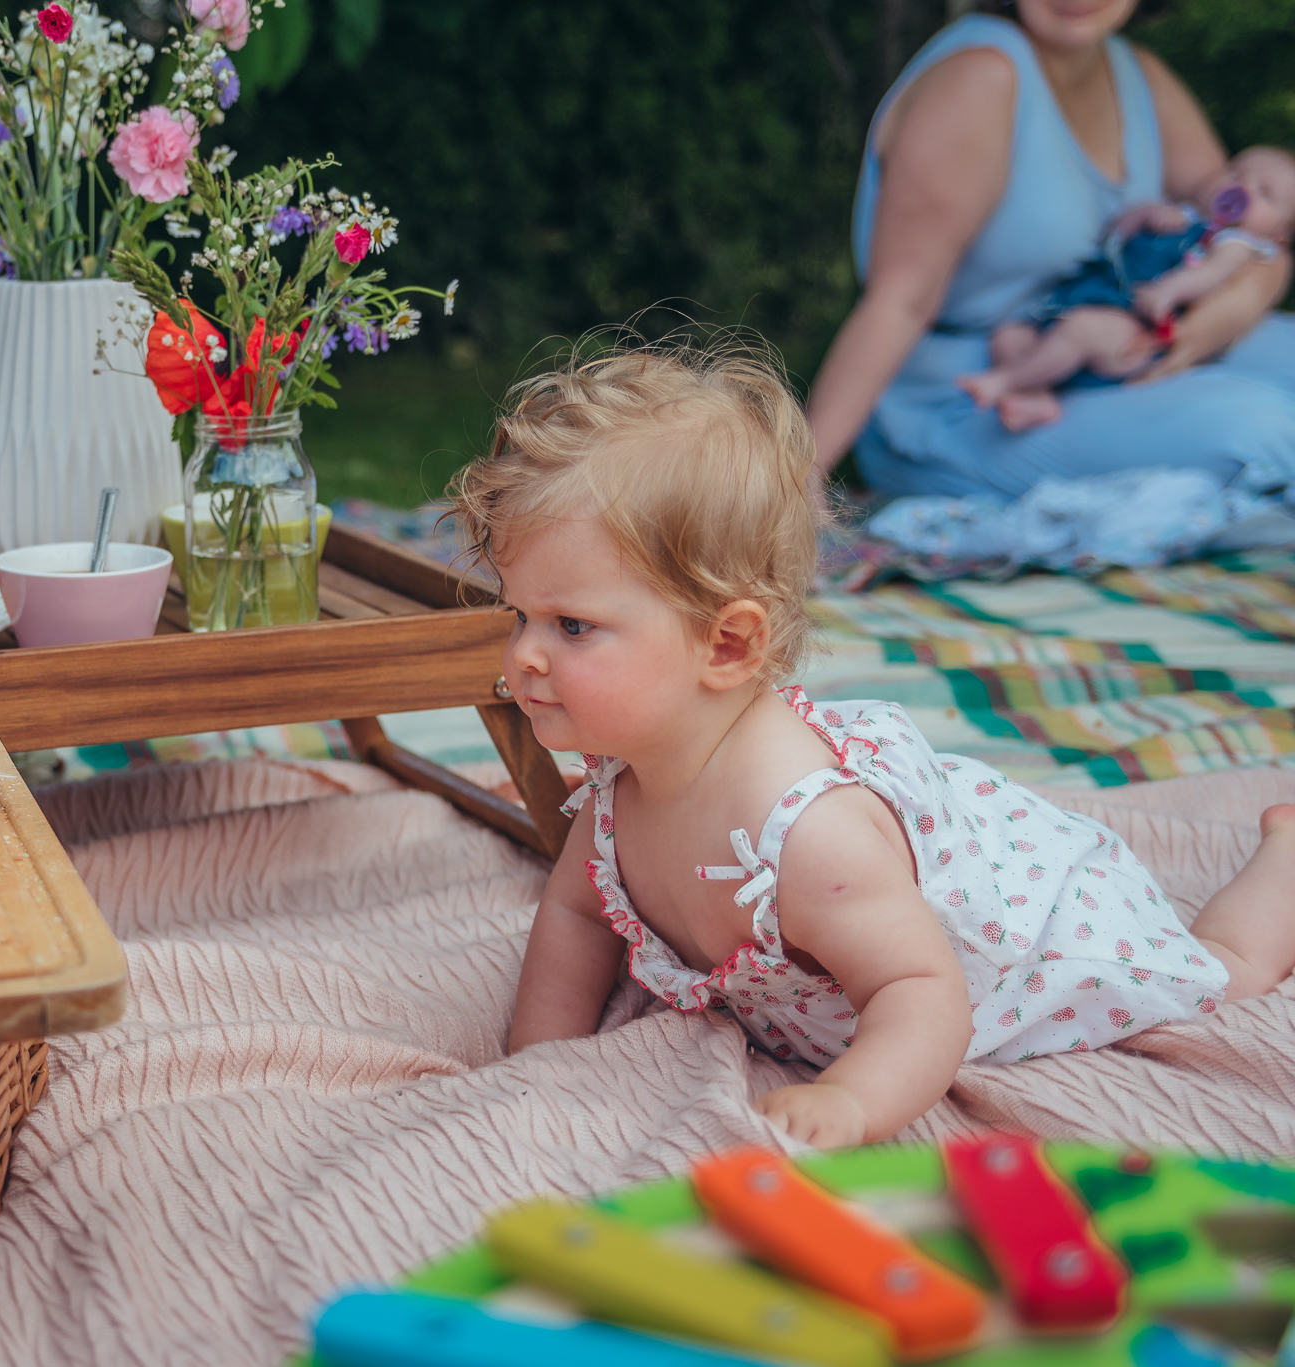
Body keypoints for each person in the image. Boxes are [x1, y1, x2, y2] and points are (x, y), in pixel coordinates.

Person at [452, 343, 1295, 1148]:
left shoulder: (810, 840)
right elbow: (577, 913)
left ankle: (1285, 861)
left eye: (572, 625)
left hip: (1037, 940)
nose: (524, 654)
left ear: (728, 646)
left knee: (1217, 972)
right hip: (923, 868)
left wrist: (851, 1099)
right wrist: (536, 1062)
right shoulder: (621, 785)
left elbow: (924, 990)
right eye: (519, 614)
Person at [804, 1, 1295, 498]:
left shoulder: (1136, 74)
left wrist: (1230, 312)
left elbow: (1247, 229)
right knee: (1263, 433)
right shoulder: (980, 78)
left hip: (1104, 356)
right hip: (971, 400)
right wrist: (796, 482)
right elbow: (899, 302)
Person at [959, 147, 1295, 431]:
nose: (1242, 189)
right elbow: (1116, 235)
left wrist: (1169, 291)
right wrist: (1145, 214)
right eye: (1236, 174)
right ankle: (1035, 397)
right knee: (1010, 335)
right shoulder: (1183, 214)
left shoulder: (1236, 245)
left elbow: (1207, 275)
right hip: (1084, 300)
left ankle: (1004, 382)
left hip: (1138, 327)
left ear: (1280, 232)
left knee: (1081, 331)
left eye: (1264, 192)